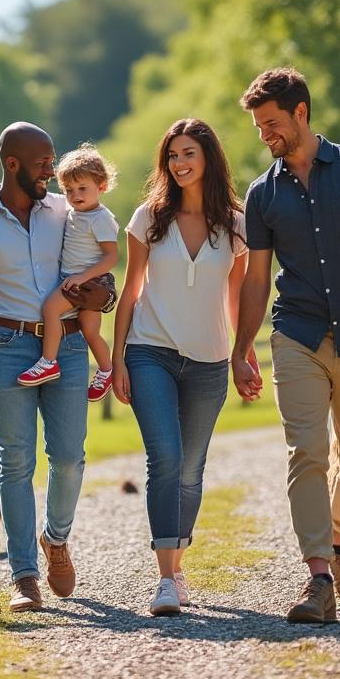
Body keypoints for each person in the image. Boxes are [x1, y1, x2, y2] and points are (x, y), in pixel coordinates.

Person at [231, 68, 340, 624]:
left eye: (273, 123)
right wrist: (242, 348)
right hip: (296, 335)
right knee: (305, 453)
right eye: (260, 127)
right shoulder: (263, 194)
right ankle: (319, 579)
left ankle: (336, 541)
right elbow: (257, 280)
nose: (266, 135)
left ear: (301, 112)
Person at [0, 122, 106, 613]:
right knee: (15, 461)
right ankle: (24, 576)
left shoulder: (66, 209)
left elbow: (100, 269)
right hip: (7, 344)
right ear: (12, 163)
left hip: (69, 344)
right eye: (43, 161)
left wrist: (103, 295)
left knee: (68, 457)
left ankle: (55, 539)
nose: (53, 169)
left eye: (53, 159)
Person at [111, 119, 250, 616]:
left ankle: (178, 563)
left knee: (191, 469)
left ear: (208, 157)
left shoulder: (235, 224)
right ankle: (166, 578)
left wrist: (243, 352)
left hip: (210, 360)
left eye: (188, 153)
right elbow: (130, 291)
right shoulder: (148, 218)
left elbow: (236, 296)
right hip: (150, 351)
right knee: (165, 458)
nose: (179, 163)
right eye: (172, 155)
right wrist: (117, 360)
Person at [16, 144, 120, 402]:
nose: (75, 195)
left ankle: (48, 361)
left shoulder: (100, 218)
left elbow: (111, 257)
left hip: (88, 283)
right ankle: (106, 370)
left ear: (102, 186)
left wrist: (82, 278)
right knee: (89, 329)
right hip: (82, 281)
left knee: (51, 308)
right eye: (69, 190)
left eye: (82, 188)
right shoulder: (75, 212)